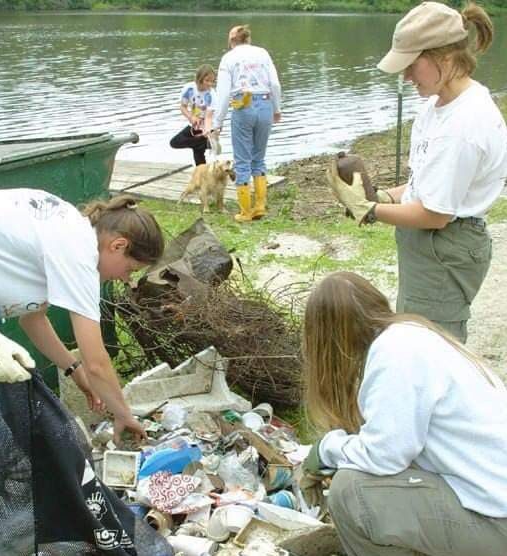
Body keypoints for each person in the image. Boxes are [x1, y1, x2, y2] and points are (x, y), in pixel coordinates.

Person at [0, 189, 165, 527]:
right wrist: (123, 414)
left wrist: (74, 371)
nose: (126, 279)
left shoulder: (65, 230)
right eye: (130, 268)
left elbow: (33, 318)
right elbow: (97, 358)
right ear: (117, 245)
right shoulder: (79, 249)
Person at [328, 2, 507, 343]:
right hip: (429, 245)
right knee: (413, 333)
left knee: (432, 348)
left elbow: (435, 213)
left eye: (411, 65)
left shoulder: (464, 124)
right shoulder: (436, 106)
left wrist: (369, 210)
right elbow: (421, 185)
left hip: (446, 246)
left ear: (447, 57)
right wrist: (382, 196)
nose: (406, 76)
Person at [299, 271, 507, 556]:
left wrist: (325, 451)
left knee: (350, 492)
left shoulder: (394, 355)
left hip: (497, 522)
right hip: (493, 502)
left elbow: (383, 456)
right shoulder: (411, 335)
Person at [213, 24, 282, 222]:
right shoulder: (262, 53)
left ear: (232, 40)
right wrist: (277, 109)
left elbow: (224, 94)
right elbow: (275, 84)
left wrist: (218, 122)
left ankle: (245, 212)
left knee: (242, 160)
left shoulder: (228, 58)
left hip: (244, 106)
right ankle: (260, 207)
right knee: (259, 159)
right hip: (266, 104)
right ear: (248, 39)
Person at [170, 64, 218, 166]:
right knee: (174, 142)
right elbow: (183, 107)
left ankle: (202, 178)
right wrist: (191, 117)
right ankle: (201, 144)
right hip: (194, 126)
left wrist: (207, 130)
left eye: (212, 81)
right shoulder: (189, 89)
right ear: (199, 79)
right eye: (207, 80)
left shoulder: (211, 94)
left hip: (206, 127)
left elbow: (209, 116)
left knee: (199, 157)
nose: (210, 84)